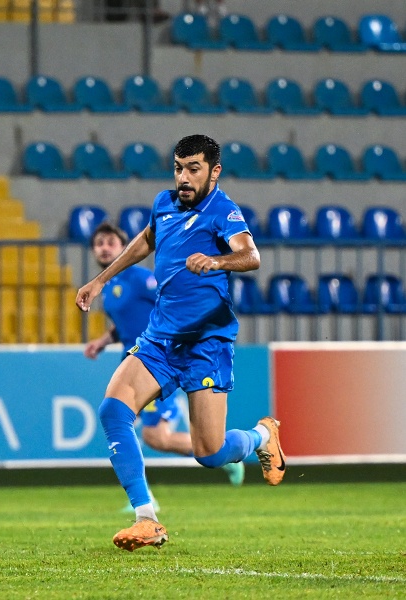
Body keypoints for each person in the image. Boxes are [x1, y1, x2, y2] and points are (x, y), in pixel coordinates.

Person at [76, 134, 286, 552]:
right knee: (113, 411)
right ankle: (146, 518)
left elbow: (252, 256)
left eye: (193, 168)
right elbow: (147, 240)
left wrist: (218, 261)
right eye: (178, 168)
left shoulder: (223, 211)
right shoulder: (164, 203)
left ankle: (262, 436)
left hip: (207, 342)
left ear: (214, 171)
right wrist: (101, 278)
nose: (184, 177)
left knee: (209, 453)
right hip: (160, 339)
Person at [83, 221, 244, 514]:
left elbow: (170, 300)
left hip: (159, 360)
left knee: (156, 437)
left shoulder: (140, 279)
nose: (104, 248)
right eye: (99, 243)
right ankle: (146, 502)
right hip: (136, 360)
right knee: (129, 425)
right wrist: (104, 340)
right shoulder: (110, 286)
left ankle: (223, 456)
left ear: (125, 248)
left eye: (111, 242)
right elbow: (127, 322)